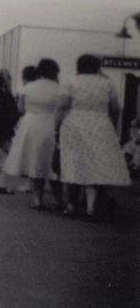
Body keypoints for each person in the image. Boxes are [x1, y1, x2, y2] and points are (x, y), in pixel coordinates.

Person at [56, 54, 131, 219]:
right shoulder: (107, 83)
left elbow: (62, 106)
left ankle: (71, 206)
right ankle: (91, 208)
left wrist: (57, 126)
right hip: (101, 124)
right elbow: (116, 108)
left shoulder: (70, 81)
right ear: (97, 66)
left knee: (73, 163)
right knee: (96, 165)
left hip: (74, 123)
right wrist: (110, 123)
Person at [3, 59, 63, 209]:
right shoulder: (59, 88)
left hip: (30, 124)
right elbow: (61, 110)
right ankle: (59, 200)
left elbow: (21, 109)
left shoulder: (28, 87)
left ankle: (38, 200)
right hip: (50, 123)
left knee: (34, 161)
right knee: (52, 164)